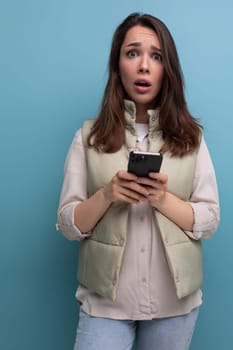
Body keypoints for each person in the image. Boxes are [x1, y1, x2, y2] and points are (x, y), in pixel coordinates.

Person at [56, 12, 220, 350]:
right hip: (105, 305)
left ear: (167, 69)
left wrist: (162, 199)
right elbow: (68, 224)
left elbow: (210, 220)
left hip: (174, 306)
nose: (144, 65)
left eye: (156, 56)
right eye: (133, 53)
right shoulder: (87, 138)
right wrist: (107, 194)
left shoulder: (193, 139)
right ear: (118, 67)